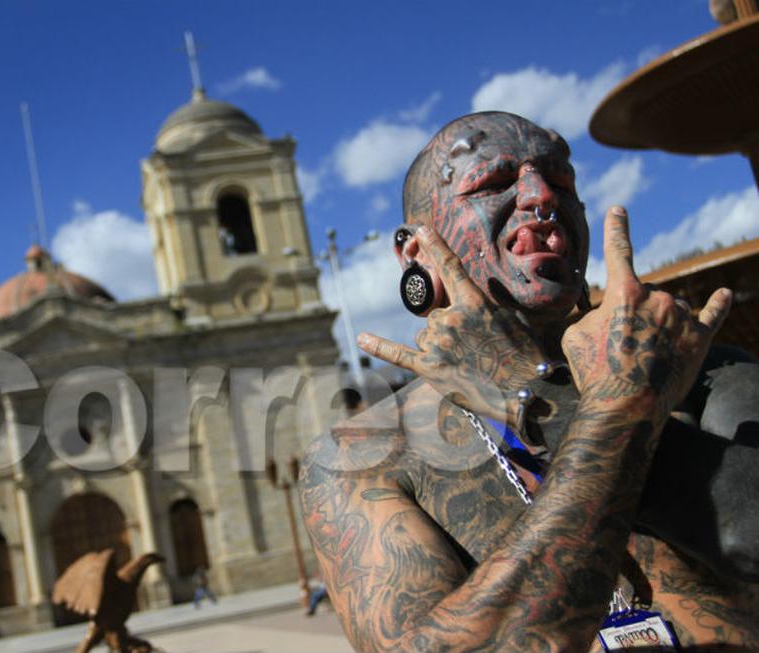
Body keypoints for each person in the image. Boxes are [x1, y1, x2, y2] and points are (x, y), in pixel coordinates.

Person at [300, 111, 759, 651]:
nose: (541, 197)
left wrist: (530, 388)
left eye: (561, 182)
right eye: (491, 184)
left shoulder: (696, 369)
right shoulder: (362, 454)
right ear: (415, 253)